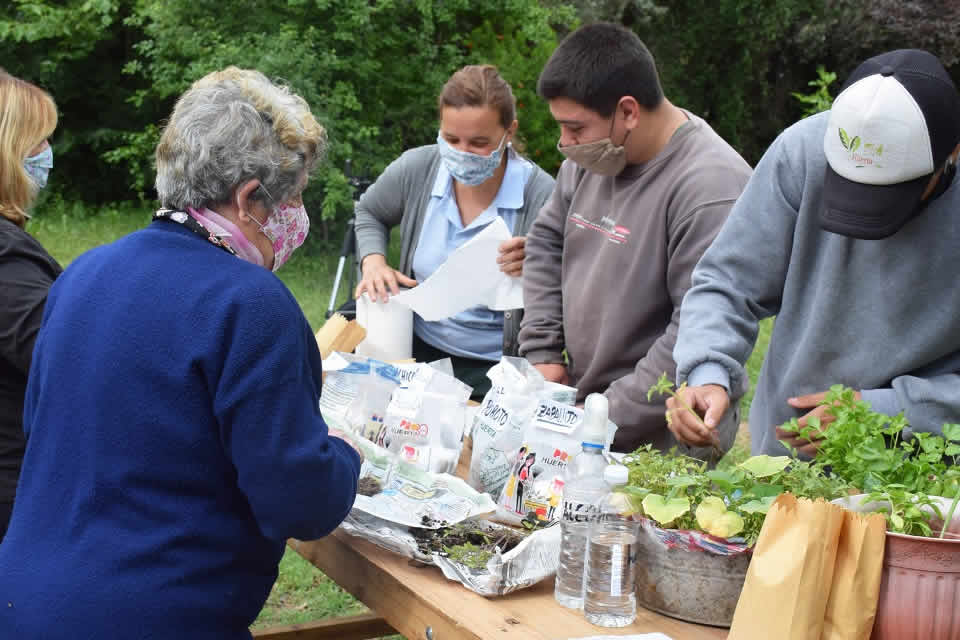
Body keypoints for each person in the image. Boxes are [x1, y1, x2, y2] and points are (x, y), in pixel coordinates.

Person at [0, 67, 362, 639]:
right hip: (153, 615)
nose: (297, 216)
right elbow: (298, 501)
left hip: (27, 601)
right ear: (249, 199)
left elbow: (48, 426)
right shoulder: (251, 303)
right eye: (293, 198)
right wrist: (344, 456)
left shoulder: (86, 272)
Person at [668, 49, 960, 459]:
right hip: (784, 465)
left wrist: (885, 411)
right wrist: (707, 374)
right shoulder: (804, 152)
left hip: (922, 481)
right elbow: (728, 283)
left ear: (952, 154)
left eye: (889, 194)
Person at [518, 22, 752, 456]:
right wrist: (544, 352)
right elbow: (547, 242)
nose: (564, 144)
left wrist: (596, 422)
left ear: (628, 112)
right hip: (584, 410)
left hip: (660, 434)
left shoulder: (711, 187)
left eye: (575, 128)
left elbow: (698, 324)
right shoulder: (594, 155)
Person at [354, 65, 555, 397]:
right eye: (451, 139)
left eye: (478, 142)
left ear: (509, 132)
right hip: (416, 355)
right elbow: (369, 211)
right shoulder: (416, 169)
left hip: (499, 372)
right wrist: (373, 262)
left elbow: (578, 271)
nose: (462, 153)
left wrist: (542, 261)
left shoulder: (542, 195)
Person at [0, 70, 62, 541]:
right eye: (38, 142)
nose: (45, 155)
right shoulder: (5, 259)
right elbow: (60, 358)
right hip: (16, 497)